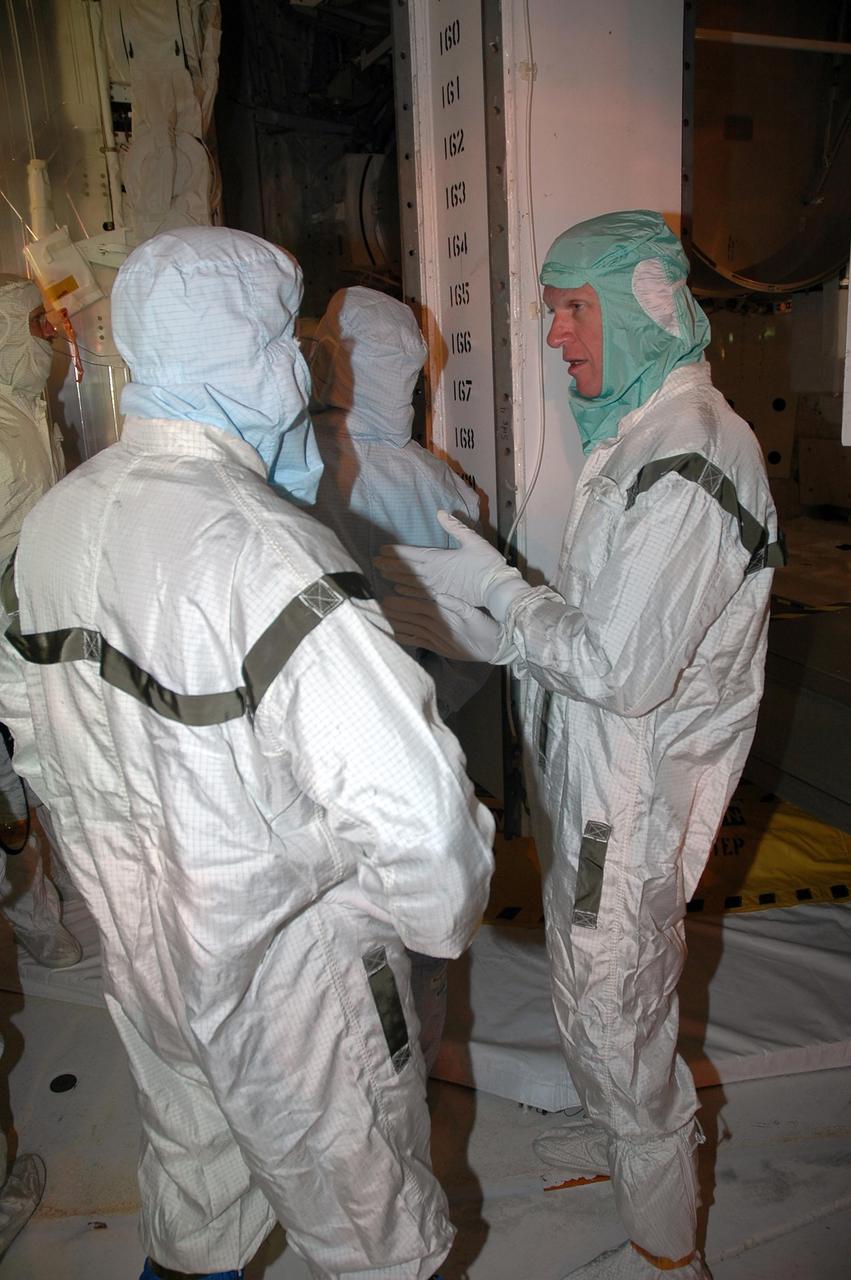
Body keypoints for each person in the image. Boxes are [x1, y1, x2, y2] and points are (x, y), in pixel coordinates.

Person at [0, 226, 494, 1280]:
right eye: (282, 340)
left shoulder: (51, 528)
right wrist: (424, 925)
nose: (295, 368)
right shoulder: (267, 551)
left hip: (148, 953)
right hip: (293, 976)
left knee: (196, 1196)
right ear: (249, 356)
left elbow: (29, 729)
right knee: (373, 1235)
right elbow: (419, 820)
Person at [377, 210, 784, 1280]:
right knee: (586, 966)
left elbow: (619, 667)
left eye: (570, 309)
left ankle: (663, 1244)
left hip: (634, 783)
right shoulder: (641, 437)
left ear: (644, 304)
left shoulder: (692, 457)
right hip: (597, 770)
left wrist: (500, 598)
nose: (554, 335)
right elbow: (601, 628)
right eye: (550, 309)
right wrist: (472, 611)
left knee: (616, 993)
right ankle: (621, 1139)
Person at [308, 285, 489, 1073]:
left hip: (323, 746)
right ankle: (412, 1061)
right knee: (420, 912)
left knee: (337, 917)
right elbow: (481, 620)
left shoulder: (287, 465)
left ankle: (354, 1065)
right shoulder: (434, 480)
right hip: (426, 727)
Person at [0, 274, 81, 970]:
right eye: (33, 330)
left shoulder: (27, 409)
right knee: (9, 790)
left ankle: (64, 894)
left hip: (42, 627)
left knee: (59, 762)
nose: (48, 339)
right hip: (7, 637)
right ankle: (33, 919)